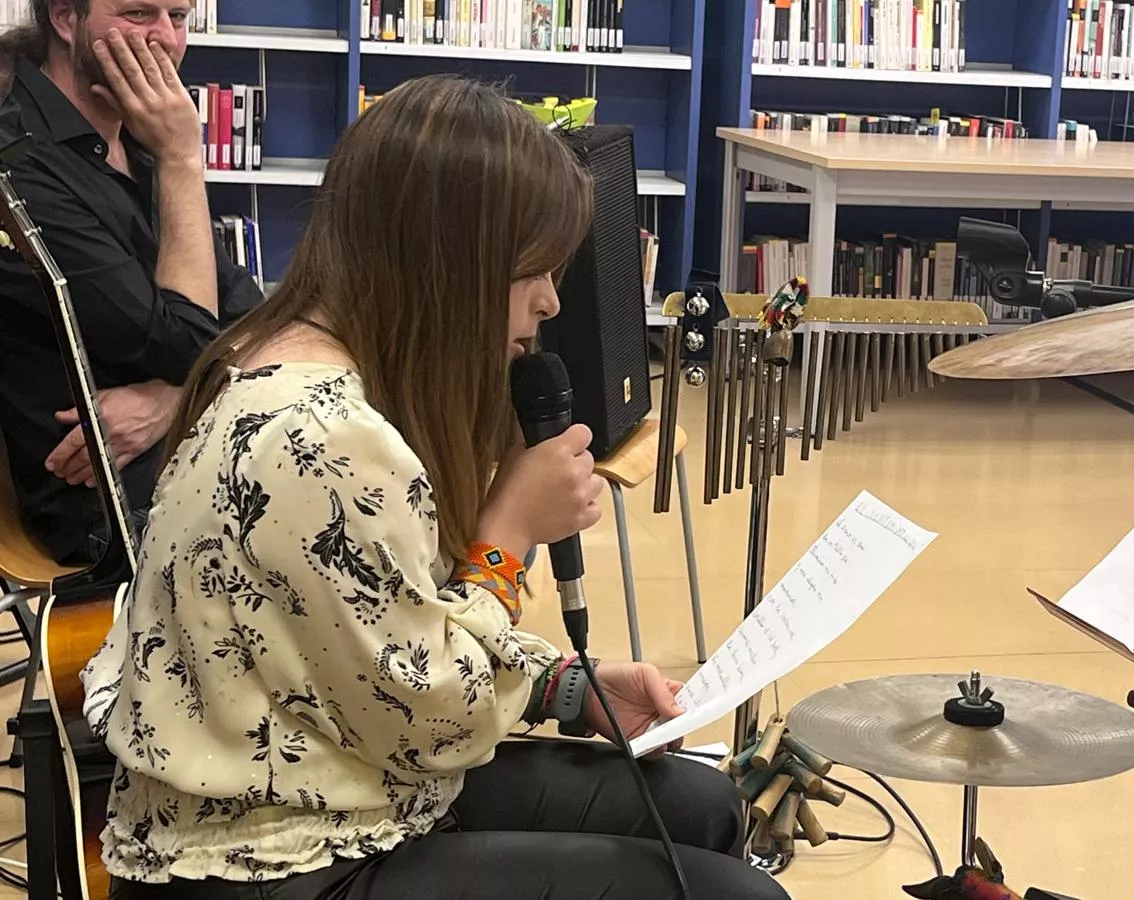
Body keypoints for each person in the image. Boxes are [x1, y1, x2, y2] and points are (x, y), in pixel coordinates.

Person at [80, 72, 791, 900]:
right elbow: (433, 718)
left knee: (702, 807)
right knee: (738, 894)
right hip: (272, 854)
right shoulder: (324, 436)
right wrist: (505, 540)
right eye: (534, 269)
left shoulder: (284, 353)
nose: (551, 300)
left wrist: (565, 688)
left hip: (339, 771)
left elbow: (388, 630)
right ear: (453, 260)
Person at [0, 0, 262, 567]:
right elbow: (187, 341)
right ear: (67, 20)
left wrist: (172, 400)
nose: (166, 40)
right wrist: (182, 159)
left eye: (179, 17)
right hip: (106, 505)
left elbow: (252, 313)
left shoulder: (142, 142)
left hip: (190, 446)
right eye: (139, 14)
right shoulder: (19, 162)